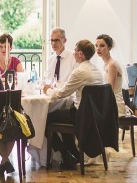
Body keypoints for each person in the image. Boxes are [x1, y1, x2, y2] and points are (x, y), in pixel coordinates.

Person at [42, 40, 103, 169]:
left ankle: (65, 154)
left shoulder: (79, 72)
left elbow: (61, 94)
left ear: (80, 54)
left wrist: (47, 90)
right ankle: (72, 154)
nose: (73, 53)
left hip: (82, 115)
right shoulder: (96, 70)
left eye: (75, 50)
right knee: (63, 114)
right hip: (95, 115)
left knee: (45, 119)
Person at [95, 34, 132, 117]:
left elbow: (110, 89)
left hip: (114, 104)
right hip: (109, 100)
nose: (98, 48)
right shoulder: (105, 63)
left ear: (109, 48)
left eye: (102, 46)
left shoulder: (112, 64)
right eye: (96, 46)